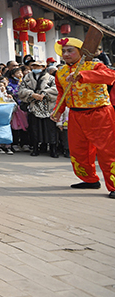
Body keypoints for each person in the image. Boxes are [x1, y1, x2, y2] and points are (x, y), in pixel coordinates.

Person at [51, 37, 115, 198]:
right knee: (78, 151)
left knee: (107, 151)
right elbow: (62, 94)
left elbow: (110, 77)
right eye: (63, 51)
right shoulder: (61, 72)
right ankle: (89, 179)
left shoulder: (95, 65)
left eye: (70, 50)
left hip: (99, 112)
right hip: (75, 114)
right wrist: (58, 110)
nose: (66, 54)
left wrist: (83, 75)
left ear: (81, 52)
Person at [18, 59, 59, 157]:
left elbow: (56, 89)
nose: (36, 68)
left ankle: (53, 148)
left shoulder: (50, 78)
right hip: (34, 105)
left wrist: (44, 94)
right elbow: (22, 89)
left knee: (50, 128)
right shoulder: (27, 77)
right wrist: (32, 94)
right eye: (34, 66)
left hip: (47, 106)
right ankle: (35, 148)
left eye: (38, 66)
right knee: (35, 128)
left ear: (44, 67)